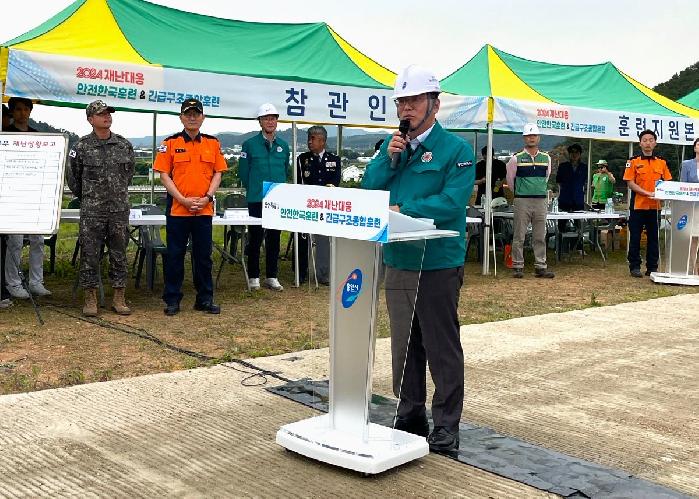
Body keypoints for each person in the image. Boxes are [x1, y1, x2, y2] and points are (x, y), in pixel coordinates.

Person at [362, 65, 475, 453]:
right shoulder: (390, 147)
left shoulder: (456, 150)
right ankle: (410, 411)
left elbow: (450, 202)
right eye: (401, 102)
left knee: (440, 344)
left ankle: (446, 423)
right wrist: (386, 159)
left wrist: (402, 206)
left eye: (413, 101)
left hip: (439, 260)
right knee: (404, 342)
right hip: (399, 258)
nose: (406, 108)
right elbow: (367, 189)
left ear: (434, 104)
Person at [154, 98, 227, 315]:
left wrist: (207, 197)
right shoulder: (170, 143)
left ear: (203, 117)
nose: (192, 117)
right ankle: (172, 300)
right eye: (188, 114)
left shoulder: (213, 143)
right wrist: (182, 199)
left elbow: (218, 173)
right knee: (175, 255)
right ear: (181, 117)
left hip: (203, 209)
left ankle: (204, 299)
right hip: (178, 210)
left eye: (196, 114)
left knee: (203, 257)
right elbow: (164, 176)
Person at [67, 100, 135, 316]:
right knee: (90, 255)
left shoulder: (124, 145)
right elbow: (74, 179)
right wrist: (90, 198)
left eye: (108, 113)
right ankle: (90, 298)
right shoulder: (81, 147)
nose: (107, 116)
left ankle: (119, 297)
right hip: (92, 211)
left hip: (118, 210)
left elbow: (129, 175)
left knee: (119, 254)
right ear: (90, 119)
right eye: (101, 114)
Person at [3, 97, 51, 299]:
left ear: (31, 111)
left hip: (34, 194)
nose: (23, 113)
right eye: (19, 109)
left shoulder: (36, 135)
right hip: (12, 194)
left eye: (26, 109)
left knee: (37, 239)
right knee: (14, 241)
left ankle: (36, 281)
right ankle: (12, 282)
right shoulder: (5, 135)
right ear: (12, 112)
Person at [238, 103, 290, 291]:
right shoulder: (249, 144)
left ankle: (272, 276)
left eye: (273, 118)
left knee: (274, 238)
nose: (270, 121)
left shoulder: (283, 146)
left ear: (277, 121)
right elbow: (243, 172)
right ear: (260, 121)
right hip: (256, 198)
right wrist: (254, 189)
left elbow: (285, 170)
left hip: (277, 199)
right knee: (256, 237)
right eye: (266, 118)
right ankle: (253, 276)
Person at [506, 123, 555, 278]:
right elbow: (510, 180)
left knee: (540, 235)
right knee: (519, 235)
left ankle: (541, 266)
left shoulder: (546, 158)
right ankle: (517, 266)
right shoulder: (516, 159)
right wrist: (520, 193)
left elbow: (546, 178)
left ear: (538, 138)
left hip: (540, 200)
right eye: (528, 135)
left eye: (534, 135)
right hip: (522, 200)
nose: (531, 138)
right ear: (524, 138)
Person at [623, 129, 672, 278]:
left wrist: (662, 194)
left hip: (655, 206)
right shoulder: (633, 161)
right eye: (645, 140)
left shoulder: (662, 162)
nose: (648, 143)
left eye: (651, 140)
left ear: (655, 143)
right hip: (638, 205)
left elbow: (668, 182)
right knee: (635, 237)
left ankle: (652, 267)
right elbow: (630, 183)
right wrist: (646, 193)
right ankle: (635, 266)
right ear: (640, 143)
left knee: (653, 238)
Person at [296, 126, 341, 284]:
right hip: (306, 206)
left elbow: (335, 183)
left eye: (313, 138)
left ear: (323, 141)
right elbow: (299, 181)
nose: (309, 141)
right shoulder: (302, 159)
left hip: (325, 207)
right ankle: (300, 273)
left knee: (323, 242)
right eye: (309, 138)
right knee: (303, 240)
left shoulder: (334, 160)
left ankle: (323, 274)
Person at [556, 144, 587, 252]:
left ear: (580, 154)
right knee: (561, 223)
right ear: (569, 154)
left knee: (579, 224)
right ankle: (560, 246)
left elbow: (584, 182)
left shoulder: (584, 167)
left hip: (578, 199)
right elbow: (558, 181)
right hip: (565, 198)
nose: (574, 155)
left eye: (577, 153)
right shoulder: (563, 166)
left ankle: (579, 247)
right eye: (572, 153)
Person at [679, 137, 699, 273]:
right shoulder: (686, 164)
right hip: (692, 206)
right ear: (695, 148)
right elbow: (682, 185)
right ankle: (693, 267)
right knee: (694, 237)